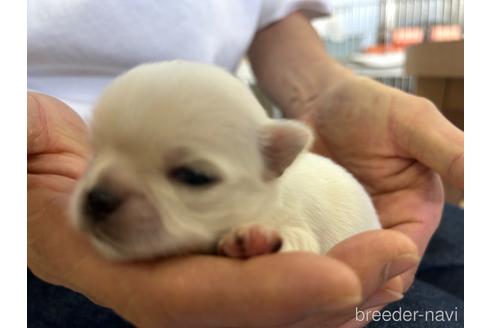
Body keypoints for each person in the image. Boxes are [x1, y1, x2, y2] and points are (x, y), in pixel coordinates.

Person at [27, 1, 464, 327]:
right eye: (101, 149)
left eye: (190, 176)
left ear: (275, 161)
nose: (104, 192)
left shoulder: (280, 184)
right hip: (41, 166)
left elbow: (275, 14)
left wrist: (319, 93)